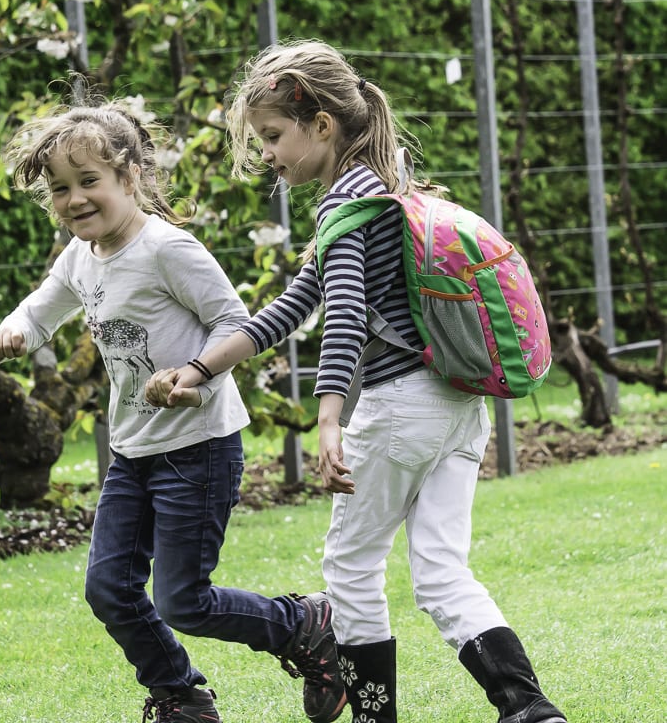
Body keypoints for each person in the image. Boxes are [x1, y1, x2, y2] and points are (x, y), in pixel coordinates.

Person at [145, 40, 567, 723]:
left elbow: (342, 317)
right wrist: (198, 368)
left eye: (274, 137)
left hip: (399, 410)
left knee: (349, 572)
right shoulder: (388, 189)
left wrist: (330, 415)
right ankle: (528, 709)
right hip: (459, 410)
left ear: (321, 126)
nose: (269, 156)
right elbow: (291, 308)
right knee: (441, 572)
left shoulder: (346, 207)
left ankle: (375, 717)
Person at [0, 100, 346, 723]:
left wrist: (194, 376)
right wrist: (11, 332)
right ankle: (181, 695)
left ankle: (301, 624)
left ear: (129, 176)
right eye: (60, 189)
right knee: (109, 589)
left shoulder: (167, 250)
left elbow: (236, 322)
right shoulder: (78, 257)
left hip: (198, 445)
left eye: (88, 182)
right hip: (133, 450)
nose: (74, 200)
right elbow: (39, 310)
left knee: (184, 601)